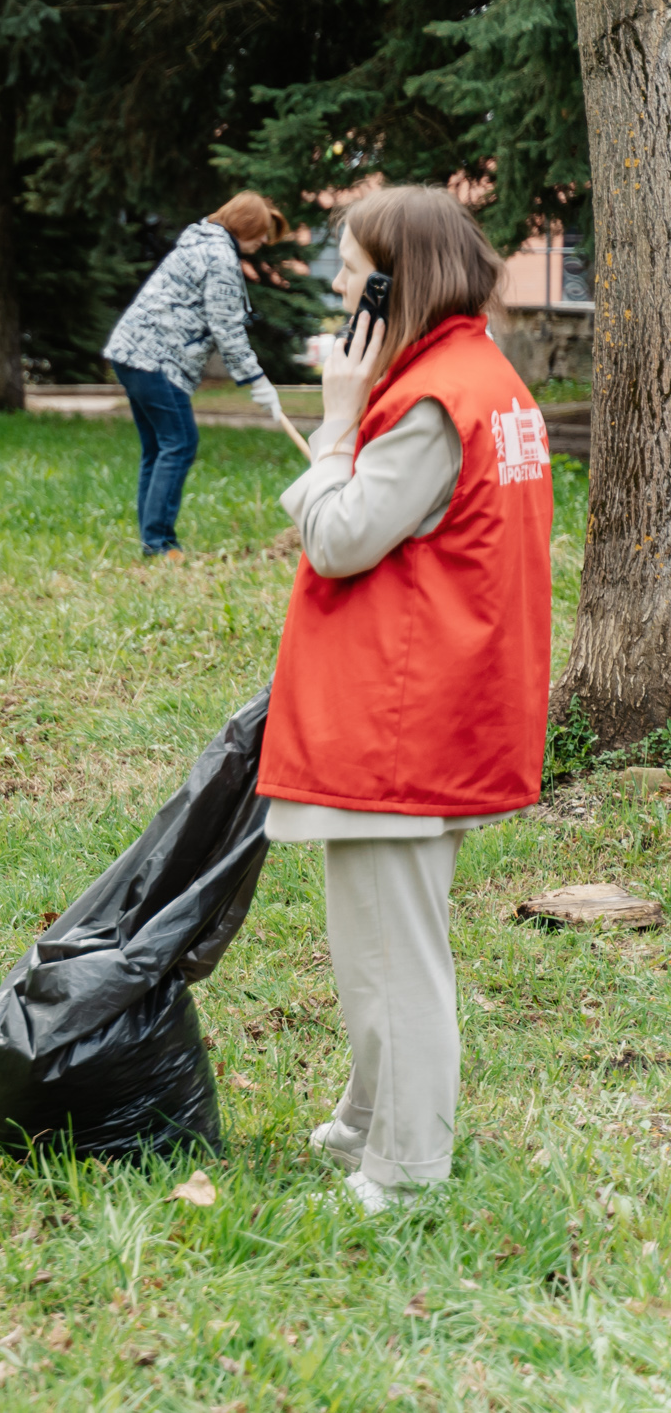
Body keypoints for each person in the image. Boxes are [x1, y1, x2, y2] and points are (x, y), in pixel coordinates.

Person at [257, 185, 553, 1213]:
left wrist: (336, 422)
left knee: (392, 952)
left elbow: (339, 537)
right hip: (442, 703)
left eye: (347, 270)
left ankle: (408, 1169)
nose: (335, 285)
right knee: (379, 937)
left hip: (402, 717)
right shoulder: (481, 378)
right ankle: (363, 1123)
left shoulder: (430, 403)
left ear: (393, 285)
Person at [102, 192, 295, 559]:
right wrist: (257, 381)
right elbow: (227, 328)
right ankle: (159, 545)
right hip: (154, 359)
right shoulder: (220, 257)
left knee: (160, 447)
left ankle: (152, 541)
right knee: (180, 442)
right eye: (262, 232)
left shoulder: (201, 243)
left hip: (131, 353)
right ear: (246, 225)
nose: (264, 242)